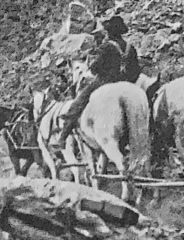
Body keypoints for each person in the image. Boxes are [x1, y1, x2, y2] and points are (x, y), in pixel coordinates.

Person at [57, 15, 141, 144]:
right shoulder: (131, 48)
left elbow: (95, 68)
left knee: (79, 101)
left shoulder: (106, 47)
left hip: (105, 82)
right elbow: (136, 71)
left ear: (109, 32)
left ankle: (63, 136)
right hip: (128, 83)